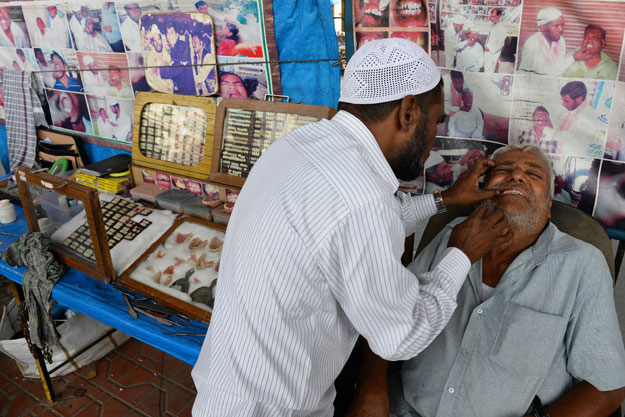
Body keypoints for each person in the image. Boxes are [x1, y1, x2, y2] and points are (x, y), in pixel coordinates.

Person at [191, 38, 512, 417]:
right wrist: (462, 253)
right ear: (409, 112)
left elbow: (348, 231)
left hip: (226, 391)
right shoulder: (362, 199)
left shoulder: (301, 144)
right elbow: (400, 334)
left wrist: (447, 200)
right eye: (436, 121)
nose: (434, 139)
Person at [351, 144, 625, 417]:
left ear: (549, 205)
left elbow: (607, 387)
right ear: (483, 192)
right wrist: (372, 389)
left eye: (533, 174)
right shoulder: (452, 236)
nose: (517, 176)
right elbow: (387, 314)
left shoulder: (581, 263)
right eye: (504, 169)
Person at [518, 7, 592, 76]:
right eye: (556, 26)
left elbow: (560, 65)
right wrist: (574, 58)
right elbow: (545, 73)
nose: (561, 29)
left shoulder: (560, 40)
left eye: (562, 25)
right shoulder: (532, 44)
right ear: (542, 27)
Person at [556, 81, 602, 157]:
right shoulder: (570, 112)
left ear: (579, 99)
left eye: (566, 101)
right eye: (563, 100)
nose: (563, 103)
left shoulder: (588, 118)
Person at [159, 22, 195, 95]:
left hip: (187, 88)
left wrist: (160, 71)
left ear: (177, 35)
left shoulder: (182, 46)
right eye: (167, 34)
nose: (169, 36)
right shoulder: (174, 48)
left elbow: (177, 68)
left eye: (171, 33)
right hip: (180, 86)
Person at [145, 25, 173, 93]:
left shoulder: (169, 53)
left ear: (162, 40)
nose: (157, 43)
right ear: (152, 43)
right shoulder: (150, 59)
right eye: (155, 41)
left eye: (158, 39)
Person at [191, 31, 217, 95]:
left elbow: (200, 78)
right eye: (192, 43)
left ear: (201, 43)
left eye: (195, 42)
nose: (193, 45)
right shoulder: (195, 58)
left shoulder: (209, 57)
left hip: (212, 93)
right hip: (203, 93)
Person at [483, 8, 506, 73]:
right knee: (486, 70)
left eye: (494, 16)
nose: (492, 18)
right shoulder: (493, 25)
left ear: (499, 16)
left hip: (492, 54)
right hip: (488, 53)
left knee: (489, 72)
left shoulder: (501, 28)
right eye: (491, 17)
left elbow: (501, 43)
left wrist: (490, 49)